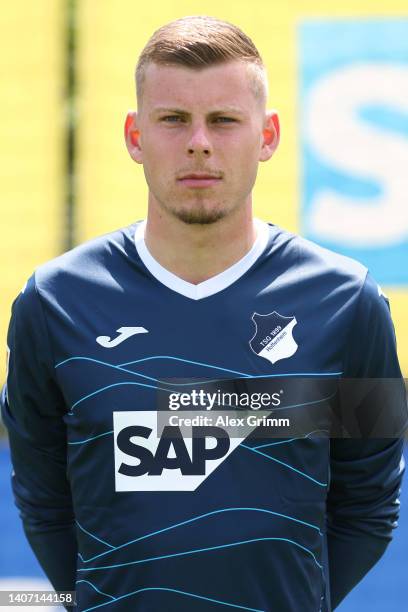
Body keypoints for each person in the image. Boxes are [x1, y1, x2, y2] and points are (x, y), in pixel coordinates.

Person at [1, 15, 406, 612]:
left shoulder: (349, 302)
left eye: (223, 120)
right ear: (135, 136)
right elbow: (44, 500)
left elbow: (368, 504)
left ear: (267, 135)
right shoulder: (54, 302)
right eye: (173, 120)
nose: (199, 142)